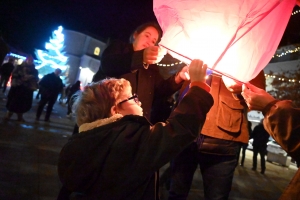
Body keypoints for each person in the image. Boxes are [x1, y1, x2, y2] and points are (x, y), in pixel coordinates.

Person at [57, 59, 213, 199]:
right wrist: (198, 88)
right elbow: (179, 128)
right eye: (133, 98)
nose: (139, 102)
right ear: (115, 110)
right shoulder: (128, 140)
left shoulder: (79, 144)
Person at [168, 71, 266, 200]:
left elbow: (258, 97)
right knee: (176, 193)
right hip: (186, 131)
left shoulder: (249, 60)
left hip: (224, 137)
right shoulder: (196, 53)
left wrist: (241, 88)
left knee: (216, 196)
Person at [92, 22, 188, 123]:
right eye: (147, 35)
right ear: (135, 35)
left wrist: (179, 77)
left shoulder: (152, 68)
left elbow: (160, 91)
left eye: (153, 41)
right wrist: (141, 57)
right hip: (104, 121)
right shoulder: (119, 48)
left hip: (135, 128)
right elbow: (108, 65)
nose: (149, 42)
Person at [241, 83, 300, 199]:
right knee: (259, 157)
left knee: (259, 157)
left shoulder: (259, 127)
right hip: (261, 144)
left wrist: (270, 107)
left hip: (259, 144)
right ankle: (259, 168)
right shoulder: (260, 128)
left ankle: (258, 168)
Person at [5, 56, 39, 122]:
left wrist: (31, 78)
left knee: (23, 103)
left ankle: (20, 116)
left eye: (31, 60)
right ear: (26, 60)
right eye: (29, 60)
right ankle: (9, 114)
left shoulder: (34, 70)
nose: (30, 61)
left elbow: (36, 78)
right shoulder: (19, 67)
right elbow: (14, 75)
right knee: (13, 101)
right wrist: (22, 79)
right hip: (18, 87)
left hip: (27, 89)